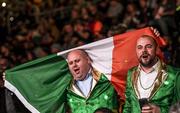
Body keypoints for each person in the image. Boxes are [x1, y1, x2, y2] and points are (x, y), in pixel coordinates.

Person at [123, 35, 180, 113]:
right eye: (140, 47)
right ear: (136, 50)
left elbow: (178, 107)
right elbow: (128, 106)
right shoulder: (131, 73)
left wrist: (161, 110)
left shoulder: (174, 74)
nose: (144, 51)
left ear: (156, 49)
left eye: (148, 46)